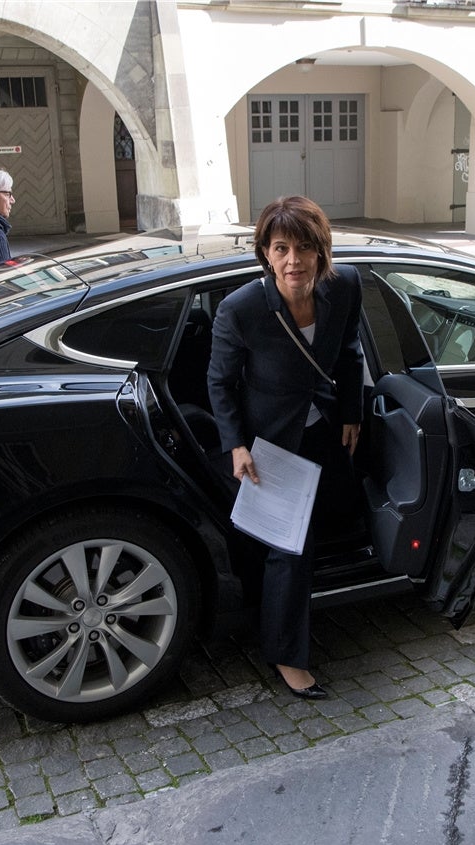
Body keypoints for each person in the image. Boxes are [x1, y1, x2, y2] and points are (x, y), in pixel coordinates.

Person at [207, 196, 365, 701]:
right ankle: (286, 655)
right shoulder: (242, 309)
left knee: (313, 535)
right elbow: (220, 383)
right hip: (271, 445)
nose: (294, 260)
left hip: (324, 432)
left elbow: (349, 352)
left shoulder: (346, 287)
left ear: (321, 252)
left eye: (304, 248)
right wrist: (236, 445)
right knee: (289, 551)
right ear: (266, 254)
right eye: (281, 249)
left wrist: (353, 412)